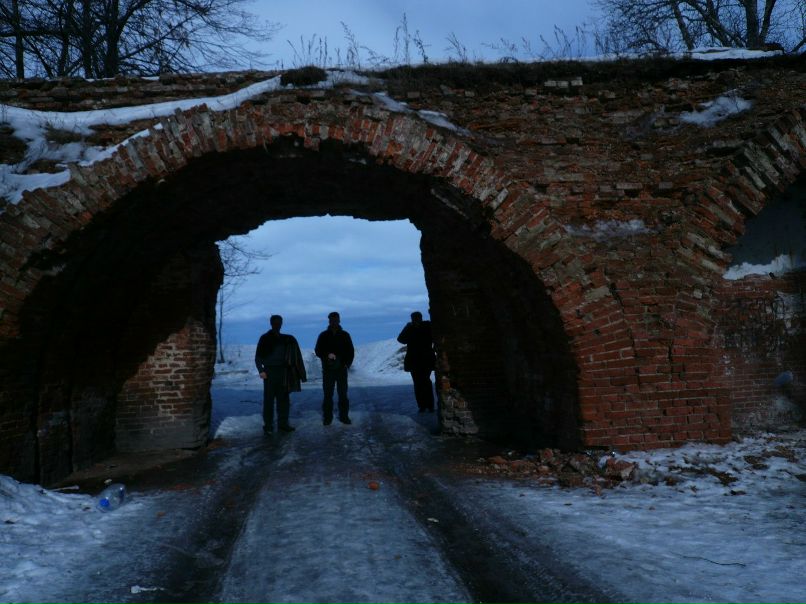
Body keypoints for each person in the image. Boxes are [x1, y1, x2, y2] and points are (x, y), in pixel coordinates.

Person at [254, 315, 306, 434]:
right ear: (271, 323)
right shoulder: (265, 338)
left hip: (283, 372)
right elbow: (258, 357)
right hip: (269, 372)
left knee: (283, 399)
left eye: (279, 322)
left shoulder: (286, 339)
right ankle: (268, 426)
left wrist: (299, 373)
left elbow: (295, 356)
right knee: (269, 400)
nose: (277, 325)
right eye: (275, 322)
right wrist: (261, 370)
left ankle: (283, 424)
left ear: (281, 324)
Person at [314, 311, 355, 425]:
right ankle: (328, 417)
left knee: (343, 394)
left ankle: (344, 416)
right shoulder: (323, 335)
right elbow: (318, 350)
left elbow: (350, 351)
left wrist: (347, 364)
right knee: (328, 394)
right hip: (328, 370)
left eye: (336, 320)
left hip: (341, 369)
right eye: (332, 320)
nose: (334, 322)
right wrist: (327, 355)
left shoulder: (345, 335)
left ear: (339, 320)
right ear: (329, 321)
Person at [397, 311, 436, 413]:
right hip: (417, 360)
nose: (415, 320)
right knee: (420, 383)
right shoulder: (413, 328)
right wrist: (407, 327)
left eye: (416, 318)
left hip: (422, 359)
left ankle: (427, 405)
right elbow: (400, 339)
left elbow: (436, 337)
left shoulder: (427, 326)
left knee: (424, 382)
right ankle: (424, 406)